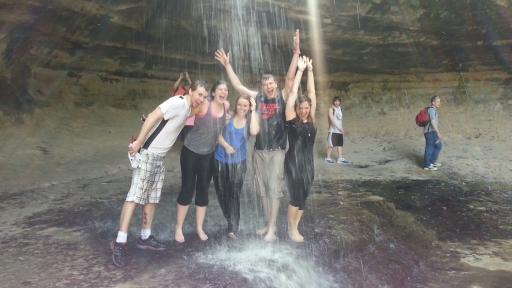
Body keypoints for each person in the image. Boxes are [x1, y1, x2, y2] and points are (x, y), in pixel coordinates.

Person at [214, 29, 301, 242]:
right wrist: (227, 65)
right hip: (259, 150)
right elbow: (238, 86)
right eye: (265, 84)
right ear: (262, 87)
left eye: (271, 83)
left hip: (277, 151)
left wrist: (296, 54)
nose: (269, 86)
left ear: (276, 85)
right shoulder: (259, 98)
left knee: (274, 190)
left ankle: (272, 228)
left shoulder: (281, 97)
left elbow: (290, 78)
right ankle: (267, 223)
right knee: (263, 191)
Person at [111, 80, 208, 268]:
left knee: (151, 199)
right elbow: (153, 116)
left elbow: (201, 111)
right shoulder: (178, 103)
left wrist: (204, 101)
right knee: (134, 197)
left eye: (204, 96)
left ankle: (145, 237)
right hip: (147, 154)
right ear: (190, 91)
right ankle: (119, 242)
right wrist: (139, 142)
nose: (201, 99)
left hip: (159, 158)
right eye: (199, 95)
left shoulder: (189, 108)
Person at [174, 80, 229, 243]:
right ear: (213, 93)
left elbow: (217, 132)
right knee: (187, 188)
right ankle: (178, 227)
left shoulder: (225, 107)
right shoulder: (204, 105)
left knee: (203, 190)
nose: (223, 92)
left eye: (226, 90)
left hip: (208, 154)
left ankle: (199, 227)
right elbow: (184, 115)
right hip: (190, 152)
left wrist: (227, 146)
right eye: (220, 89)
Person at [213, 95, 260, 239]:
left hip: (239, 162)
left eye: (245, 105)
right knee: (221, 192)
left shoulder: (250, 120)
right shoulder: (228, 118)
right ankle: (230, 218)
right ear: (236, 105)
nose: (242, 108)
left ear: (249, 107)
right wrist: (226, 146)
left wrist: (254, 111)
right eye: (240, 105)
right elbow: (216, 134)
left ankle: (233, 226)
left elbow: (253, 132)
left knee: (234, 193)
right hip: (220, 159)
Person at [284, 56, 317, 243]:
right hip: (293, 163)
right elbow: (294, 92)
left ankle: (295, 226)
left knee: (304, 196)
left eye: (306, 107)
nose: (304, 110)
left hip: (308, 164)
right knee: (295, 196)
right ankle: (291, 228)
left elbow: (311, 92)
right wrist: (300, 71)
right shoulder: (291, 118)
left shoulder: (311, 118)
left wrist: (311, 70)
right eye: (301, 108)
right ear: (297, 108)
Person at [325, 96, 349, 164]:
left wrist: (342, 129)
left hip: (339, 130)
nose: (337, 102)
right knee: (331, 145)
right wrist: (339, 128)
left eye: (338, 101)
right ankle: (328, 158)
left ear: (340, 102)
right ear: (333, 101)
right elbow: (332, 121)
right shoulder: (331, 109)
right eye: (335, 101)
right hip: (333, 130)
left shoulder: (340, 108)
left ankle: (340, 158)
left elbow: (340, 120)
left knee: (340, 144)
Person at [423, 95, 443, 171]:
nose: (439, 103)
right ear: (433, 102)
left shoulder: (434, 110)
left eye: (439, 101)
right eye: (437, 101)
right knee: (429, 147)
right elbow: (432, 121)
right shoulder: (431, 110)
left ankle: (431, 162)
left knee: (438, 146)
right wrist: (438, 132)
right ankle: (427, 165)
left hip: (432, 131)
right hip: (429, 132)